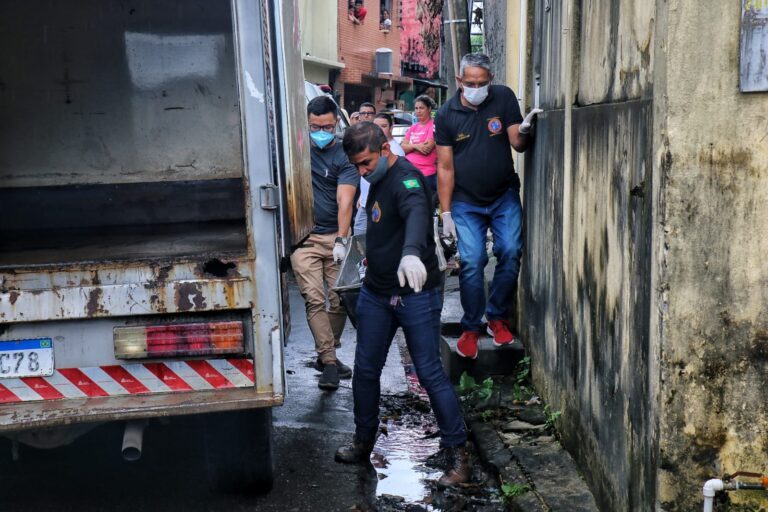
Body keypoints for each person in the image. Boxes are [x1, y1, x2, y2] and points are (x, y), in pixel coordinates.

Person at [335, 122, 470, 488]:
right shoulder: (375, 178)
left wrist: (411, 253)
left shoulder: (407, 179)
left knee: (429, 372)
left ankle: (459, 455)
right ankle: (363, 440)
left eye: (366, 163)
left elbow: (415, 215)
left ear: (385, 149)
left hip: (415, 292)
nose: (362, 171)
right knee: (365, 370)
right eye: (356, 166)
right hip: (377, 292)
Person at [435, 53, 542, 359]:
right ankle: (471, 327)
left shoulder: (503, 97)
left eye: (482, 83)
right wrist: (446, 212)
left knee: (510, 251)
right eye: (470, 83)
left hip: (503, 195)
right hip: (465, 202)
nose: (476, 88)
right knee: (472, 260)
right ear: (459, 80)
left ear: (490, 80)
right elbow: (445, 167)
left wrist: (525, 129)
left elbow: (517, 143)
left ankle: (497, 318)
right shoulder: (446, 115)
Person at [291, 96, 359, 390]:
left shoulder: (345, 154)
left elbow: (345, 200)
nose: (321, 132)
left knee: (340, 300)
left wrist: (342, 240)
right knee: (315, 299)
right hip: (303, 240)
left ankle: (326, 352)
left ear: (337, 124)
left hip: (335, 237)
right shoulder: (295, 149)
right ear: (307, 123)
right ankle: (329, 362)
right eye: (315, 127)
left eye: (328, 127)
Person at [353, 113, 405, 235]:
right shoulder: (371, 146)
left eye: (384, 126)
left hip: (380, 203)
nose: (380, 130)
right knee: (359, 234)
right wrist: (362, 196)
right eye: (376, 126)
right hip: (366, 200)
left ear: (391, 128)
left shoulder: (395, 152)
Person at [402, 95, 437, 191]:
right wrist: (416, 146)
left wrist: (410, 147)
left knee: (420, 198)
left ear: (429, 109)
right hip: (409, 171)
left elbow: (427, 148)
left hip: (425, 173)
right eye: (416, 108)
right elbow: (402, 148)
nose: (418, 111)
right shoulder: (413, 127)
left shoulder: (433, 125)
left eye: (421, 108)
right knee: (410, 198)